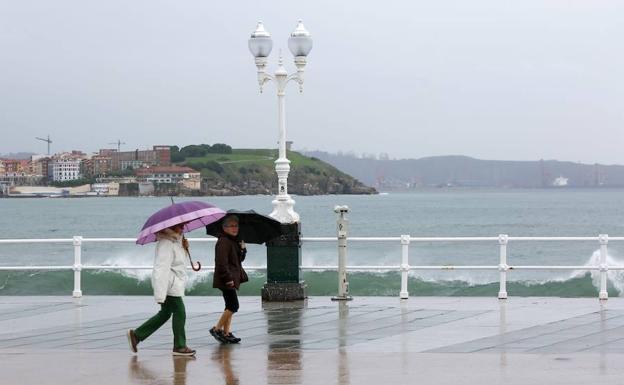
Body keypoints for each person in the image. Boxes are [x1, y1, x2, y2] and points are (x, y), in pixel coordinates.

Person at [127, 223, 196, 356]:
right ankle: (179, 346)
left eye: (184, 225)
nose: (183, 228)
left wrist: (184, 247)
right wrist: (160, 294)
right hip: (169, 284)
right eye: (180, 226)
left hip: (173, 282)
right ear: (171, 226)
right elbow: (161, 268)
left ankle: (137, 335)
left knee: (165, 313)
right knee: (180, 311)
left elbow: (178, 263)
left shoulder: (176, 240)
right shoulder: (166, 243)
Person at [210, 215, 248, 344]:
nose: (234, 228)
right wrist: (228, 278)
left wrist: (243, 250)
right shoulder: (223, 241)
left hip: (231, 278)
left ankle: (226, 332)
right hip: (226, 279)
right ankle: (217, 329)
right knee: (233, 305)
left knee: (229, 306)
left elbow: (238, 261)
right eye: (231, 226)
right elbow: (221, 263)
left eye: (236, 226)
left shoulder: (232, 241)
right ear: (224, 227)